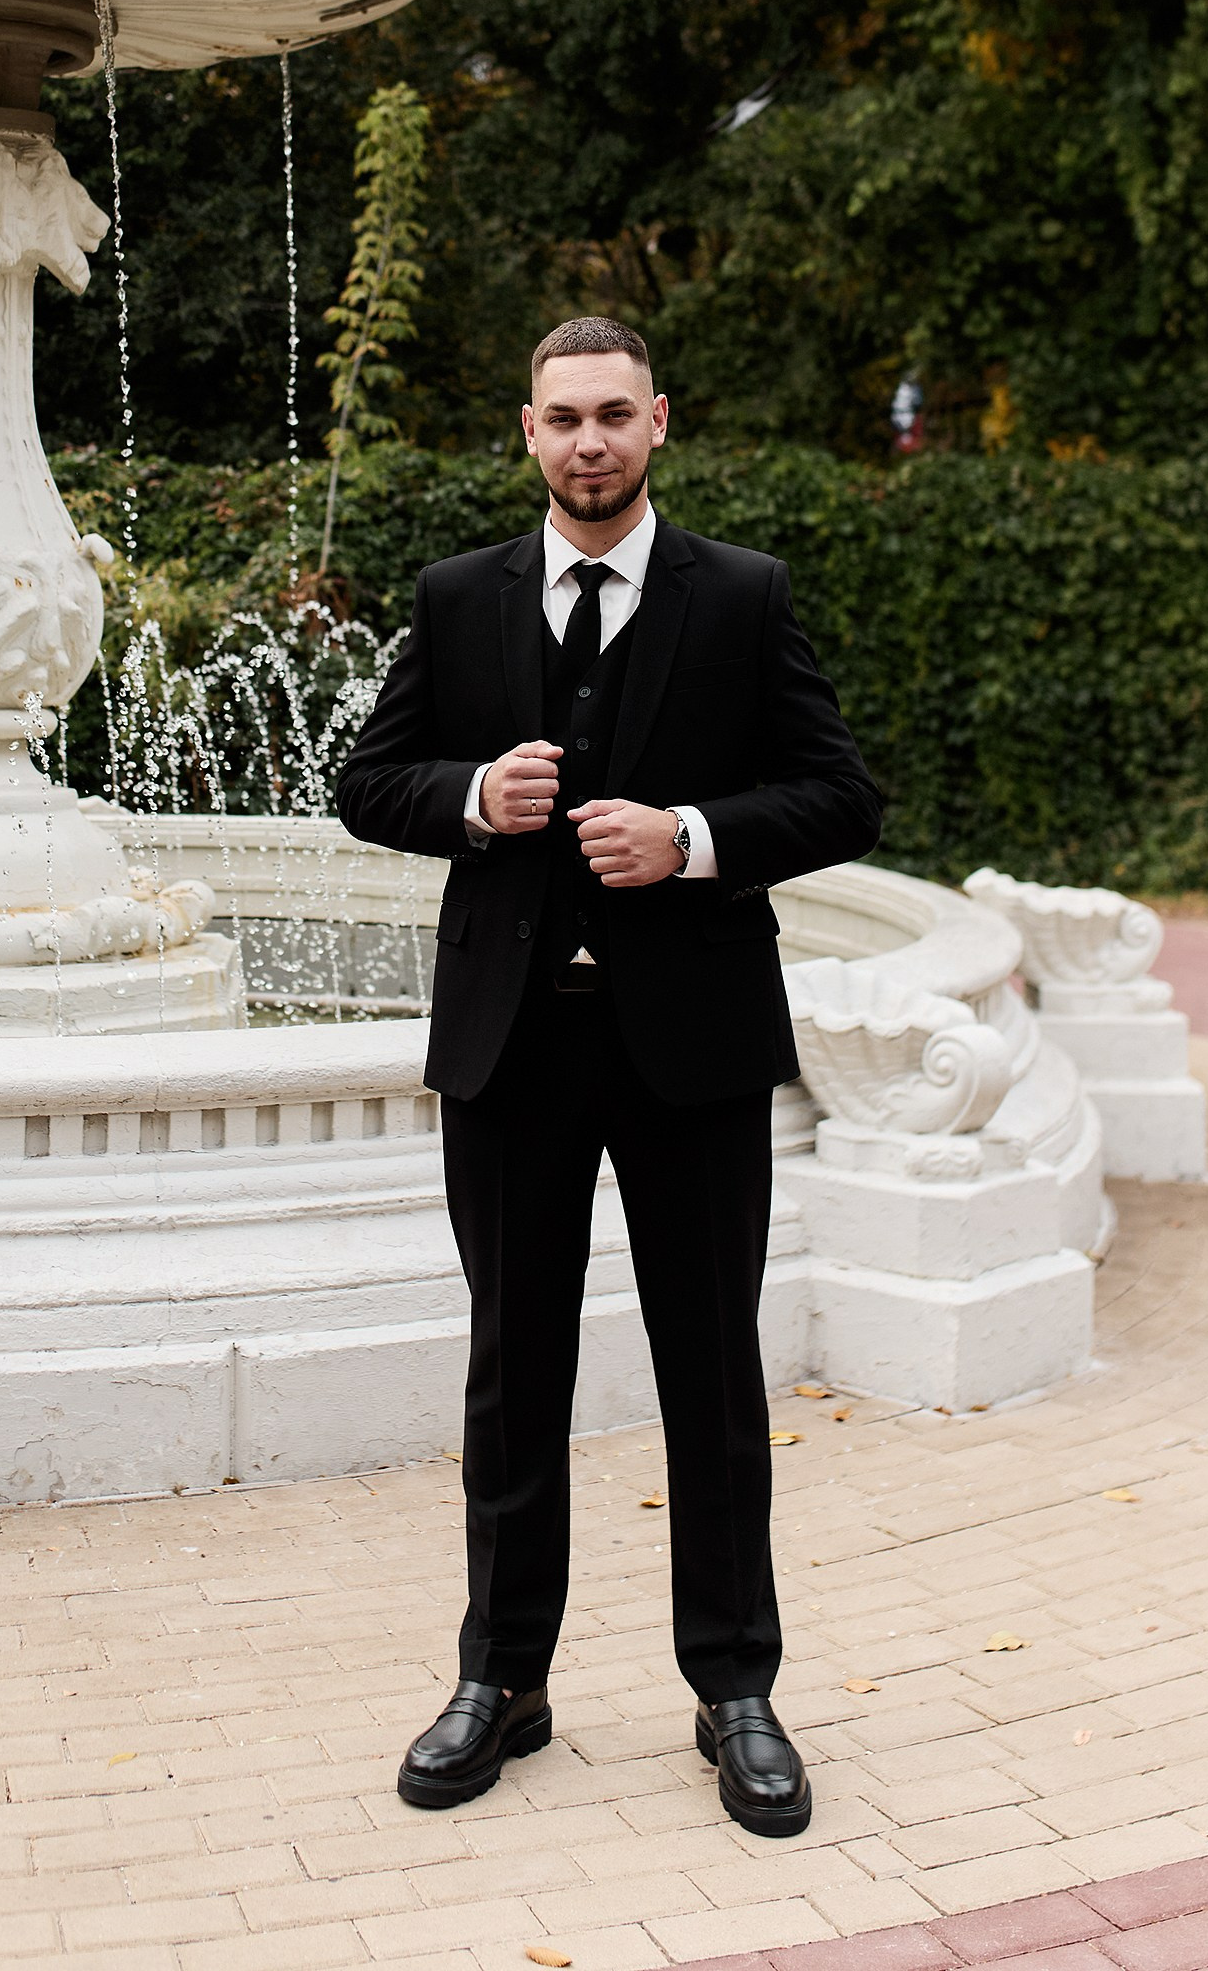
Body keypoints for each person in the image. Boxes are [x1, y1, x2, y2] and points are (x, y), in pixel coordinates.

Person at [334, 317, 883, 1833]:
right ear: (527, 431)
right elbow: (365, 785)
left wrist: (691, 841)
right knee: (517, 1375)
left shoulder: (744, 598)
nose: (589, 443)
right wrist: (471, 800)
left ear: (659, 426)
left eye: (614, 418)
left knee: (712, 1374)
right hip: (515, 1046)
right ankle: (501, 1682)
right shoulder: (460, 602)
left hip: (692, 1047)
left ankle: (737, 1690)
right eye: (564, 418)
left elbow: (843, 793)